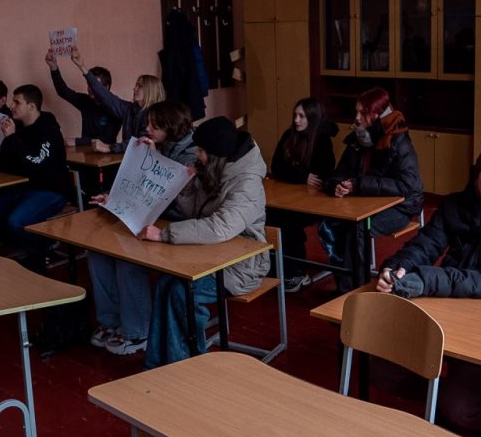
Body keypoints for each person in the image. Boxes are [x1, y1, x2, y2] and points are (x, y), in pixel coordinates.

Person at [376, 132, 481, 437]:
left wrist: (427, 280)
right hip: (450, 306)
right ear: (477, 171)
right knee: (382, 369)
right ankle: (441, 398)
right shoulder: (455, 204)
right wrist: (397, 267)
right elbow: (426, 245)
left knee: (459, 407)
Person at [138, 116, 270, 368]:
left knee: (182, 291)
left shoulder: (247, 183)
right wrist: (187, 189)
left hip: (241, 267)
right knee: (166, 283)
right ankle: (157, 364)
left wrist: (164, 234)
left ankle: (188, 365)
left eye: (200, 150)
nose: (196, 155)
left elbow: (219, 227)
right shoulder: (218, 170)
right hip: (211, 255)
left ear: (216, 154)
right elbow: (198, 215)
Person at [87, 100, 199, 355]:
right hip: (148, 219)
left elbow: (173, 201)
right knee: (98, 251)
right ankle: (111, 320)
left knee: (127, 259)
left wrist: (155, 158)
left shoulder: (192, 155)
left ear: (170, 127)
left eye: (154, 126)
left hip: (175, 227)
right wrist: (114, 198)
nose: (147, 129)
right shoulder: (158, 146)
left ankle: (138, 331)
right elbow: (140, 188)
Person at [322, 87, 424, 291]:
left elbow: (406, 186)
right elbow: (338, 173)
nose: (357, 118)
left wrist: (358, 184)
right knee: (329, 223)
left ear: (377, 115)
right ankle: (347, 283)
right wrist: (336, 186)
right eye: (356, 112)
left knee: (357, 226)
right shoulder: (357, 140)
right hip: (364, 203)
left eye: (363, 112)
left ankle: (353, 290)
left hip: (401, 207)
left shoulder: (399, 141)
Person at [0, 84, 70, 268]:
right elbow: (6, 162)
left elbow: (35, 162)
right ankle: (35, 244)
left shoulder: (48, 130)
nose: (11, 106)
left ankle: (38, 255)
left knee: (16, 221)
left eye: (17, 102)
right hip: (22, 187)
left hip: (51, 189)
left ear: (31, 107)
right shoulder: (16, 128)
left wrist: (11, 138)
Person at [267, 97, 338, 292]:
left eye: (302, 116)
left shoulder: (322, 140)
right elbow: (277, 166)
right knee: (270, 215)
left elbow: (323, 174)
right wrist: (303, 176)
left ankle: (296, 271)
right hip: (288, 195)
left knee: (289, 222)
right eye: (295, 115)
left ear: (312, 118)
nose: (296, 120)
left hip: (314, 202)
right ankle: (275, 267)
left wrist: (297, 175)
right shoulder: (288, 135)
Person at [68, 45, 164, 153]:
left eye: (140, 86)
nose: (135, 88)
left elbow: (142, 144)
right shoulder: (128, 109)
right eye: (136, 85)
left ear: (151, 91)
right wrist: (82, 66)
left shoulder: (156, 117)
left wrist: (109, 147)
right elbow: (105, 96)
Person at [45, 49, 121, 147]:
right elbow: (63, 91)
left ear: (106, 87)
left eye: (94, 85)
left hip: (107, 154)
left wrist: (77, 141)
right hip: (85, 152)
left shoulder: (115, 106)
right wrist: (53, 67)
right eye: (89, 84)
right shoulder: (86, 101)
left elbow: (107, 139)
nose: (90, 88)